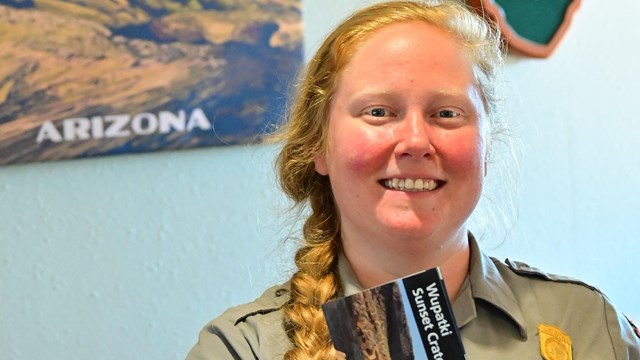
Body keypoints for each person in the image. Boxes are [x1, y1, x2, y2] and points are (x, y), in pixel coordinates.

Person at [186, 1, 640, 359]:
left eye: (447, 113)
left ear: (486, 148)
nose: (416, 141)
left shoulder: (586, 325)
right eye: (379, 112)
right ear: (318, 146)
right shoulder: (242, 350)